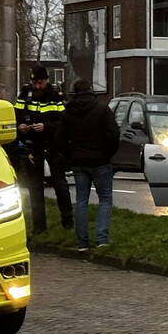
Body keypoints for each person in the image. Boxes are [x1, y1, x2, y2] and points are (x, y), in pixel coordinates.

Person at [56, 79, 120, 250]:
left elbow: (60, 139)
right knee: (105, 199)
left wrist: (70, 157)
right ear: (91, 91)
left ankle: (82, 242)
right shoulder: (101, 109)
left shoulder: (68, 112)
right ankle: (102, 239)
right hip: (101, 161)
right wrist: (107, 154)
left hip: (78, 162)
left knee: (81, 200)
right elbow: (114, 134)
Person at [15, 65, 73, 235]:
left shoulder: (55, 96)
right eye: (34, 82)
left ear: (46, 80)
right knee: (35, 187)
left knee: (59, 184)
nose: (37, 86)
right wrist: (21, 126)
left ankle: (67, 221)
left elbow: (64, 122)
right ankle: (39, 227)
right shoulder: (25, 94)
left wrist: (46, 126)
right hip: (32, 146)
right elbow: (17, 114)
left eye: (40, 82)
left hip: (52, 144)